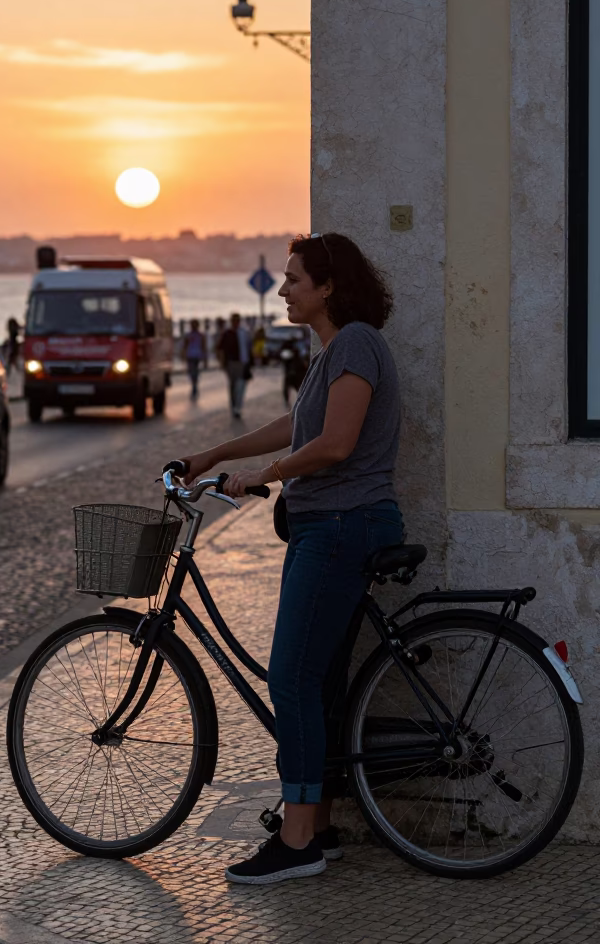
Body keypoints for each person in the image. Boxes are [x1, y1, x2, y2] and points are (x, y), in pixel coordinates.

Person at [179, 233, 401, 886]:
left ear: (328, 286)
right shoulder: (332, 353)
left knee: (292, 679)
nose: (283, 290)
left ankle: (297, 839)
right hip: (326, 528)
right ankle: (320, 824)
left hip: (340, 526)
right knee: (322, 685)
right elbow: (297, 426)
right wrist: (216, 456)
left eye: (294, 279)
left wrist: (263, 477)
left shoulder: (356, 341)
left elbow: (333, 445)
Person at [217, 313, 252, 418]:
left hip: (242, 362)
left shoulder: (244, 332)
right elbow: (220, 348)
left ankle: (238, 407)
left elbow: (248, 347)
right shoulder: (227, 333)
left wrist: (250, 362)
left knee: (240, 385)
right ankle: (234, 406)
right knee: (233, 386)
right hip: (231, 363)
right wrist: (222, 362)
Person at [182, 319, 206, 398]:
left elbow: (203, 346)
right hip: (190, 355)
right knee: (191, 372)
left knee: (195, 371)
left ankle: (195, 385)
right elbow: (185, 346)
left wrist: (205, 358)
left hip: (197, 356)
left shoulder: (200, 335)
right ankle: (194, 385)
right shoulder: (188, 335)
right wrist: (183, 355)